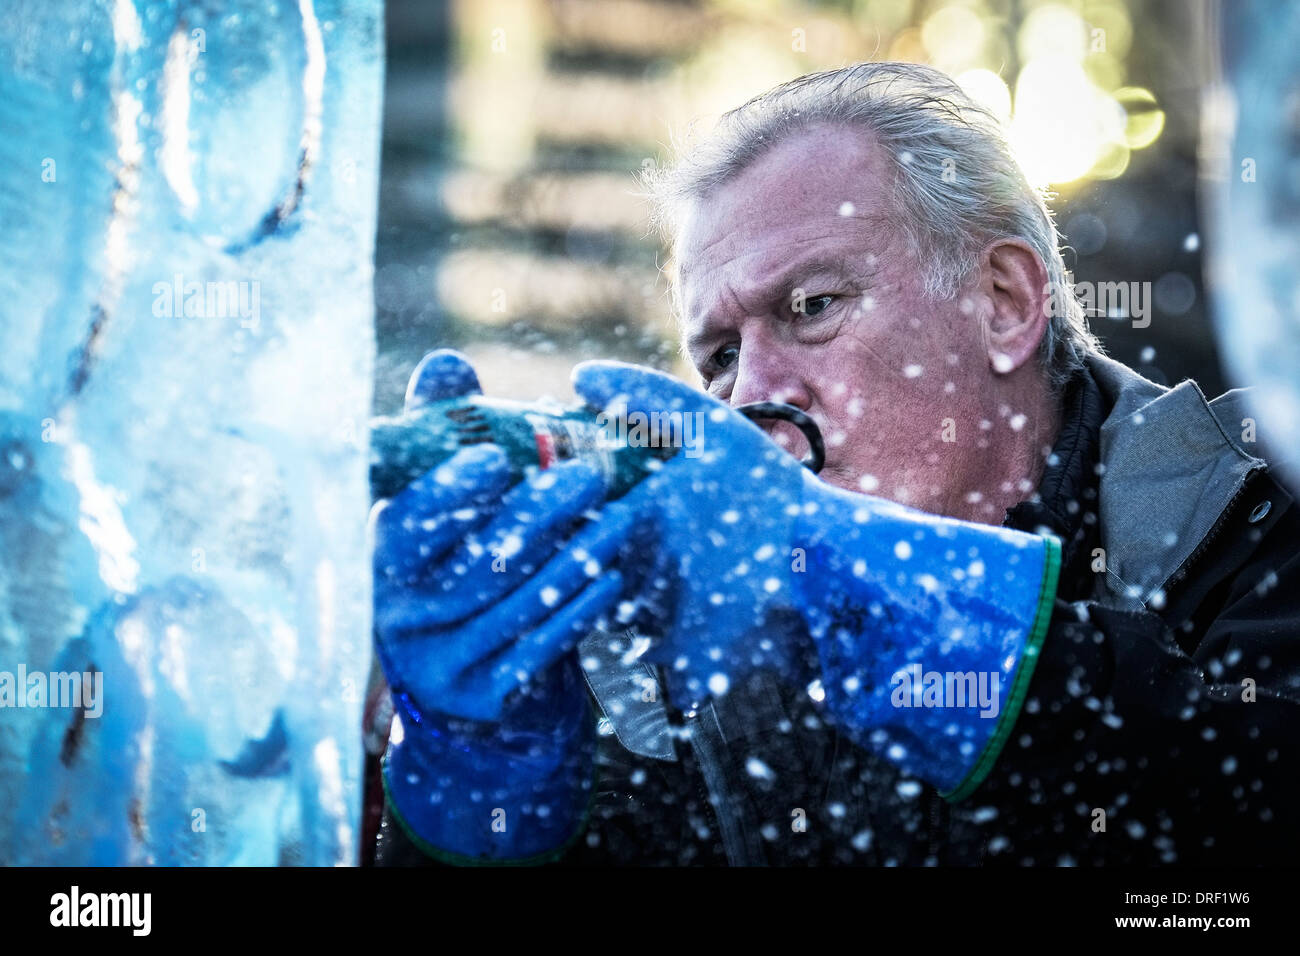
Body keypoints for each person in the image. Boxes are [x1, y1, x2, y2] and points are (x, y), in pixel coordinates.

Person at [368, 62, 1300, 866]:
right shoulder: (678, 660)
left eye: (813, 306)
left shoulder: (1266, 514)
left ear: (1005, 301)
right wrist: (488, 801)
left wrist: (879, 606)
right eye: (720, 359)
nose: (755, 400)